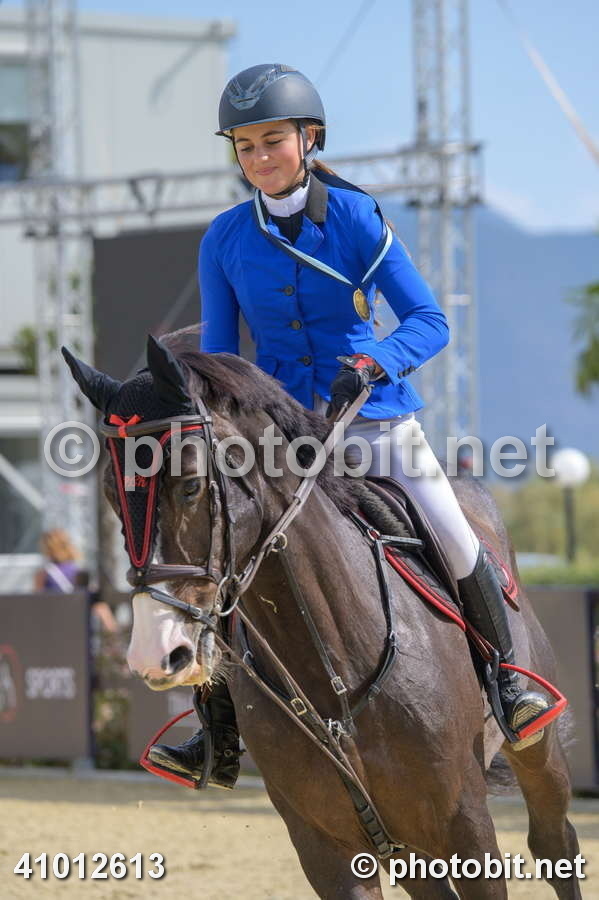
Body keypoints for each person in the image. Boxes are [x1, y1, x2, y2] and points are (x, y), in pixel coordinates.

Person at [149, 63, 549, 788]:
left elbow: (428, 321)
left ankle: (506, 682)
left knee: (453, 534)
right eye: (245, 146)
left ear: (309, 139)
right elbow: (221, 354)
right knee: (223, 551)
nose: (259, 157)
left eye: (272, 141)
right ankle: (217, 729)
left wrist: (374, 362)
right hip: (281, 435)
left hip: (373, 422)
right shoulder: (224, 238)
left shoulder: (358, 219)